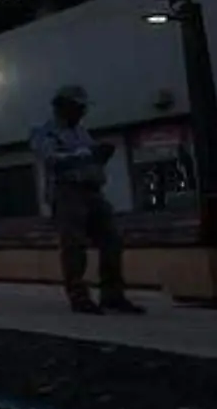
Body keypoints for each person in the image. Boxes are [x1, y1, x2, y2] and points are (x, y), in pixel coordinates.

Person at [31, 85, 142, 315]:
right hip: (67, 192)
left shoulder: (81, 131)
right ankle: (79, 296)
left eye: (83, 108)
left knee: (112, 239)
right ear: (63, 107)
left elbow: (91, 155)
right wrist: (85, 156)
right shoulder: (46, 132)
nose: (82, 113)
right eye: (77, 107)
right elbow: (51, 158)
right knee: (74, 245)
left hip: (92, 191)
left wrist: (99, 156)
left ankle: (112, 294)